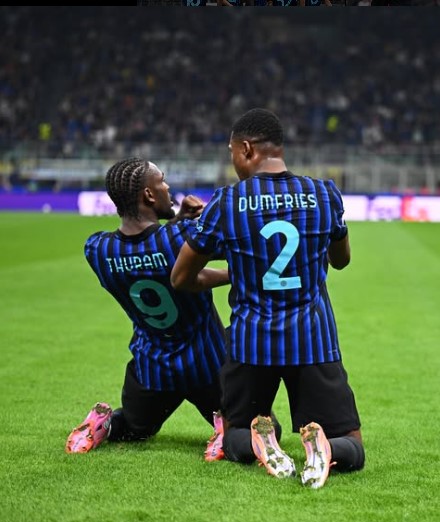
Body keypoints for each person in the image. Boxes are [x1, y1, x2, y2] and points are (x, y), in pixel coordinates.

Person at [171, 108, 365, 488]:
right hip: (313, 339)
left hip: (251, 342)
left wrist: (235, 271)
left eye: (231, 152)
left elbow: (181, 277)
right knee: (352, 443)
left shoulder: (226, 203)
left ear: (246, 148)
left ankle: (264, 440)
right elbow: (341, 261)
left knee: (235, 434)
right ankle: (326, 446)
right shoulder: (324, 194)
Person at [66, 157, 230, 459]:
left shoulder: (99, 250)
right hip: (207, 364)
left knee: (134, 427)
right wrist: (187, 222)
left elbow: (149, 254)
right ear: (149, 195)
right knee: (259, 426)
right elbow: (188, 257)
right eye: (162, 181)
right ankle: (226, 428)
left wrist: (176, 221)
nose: (168, 187)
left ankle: (103, 424)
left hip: (152, 369)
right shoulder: (182, 237)